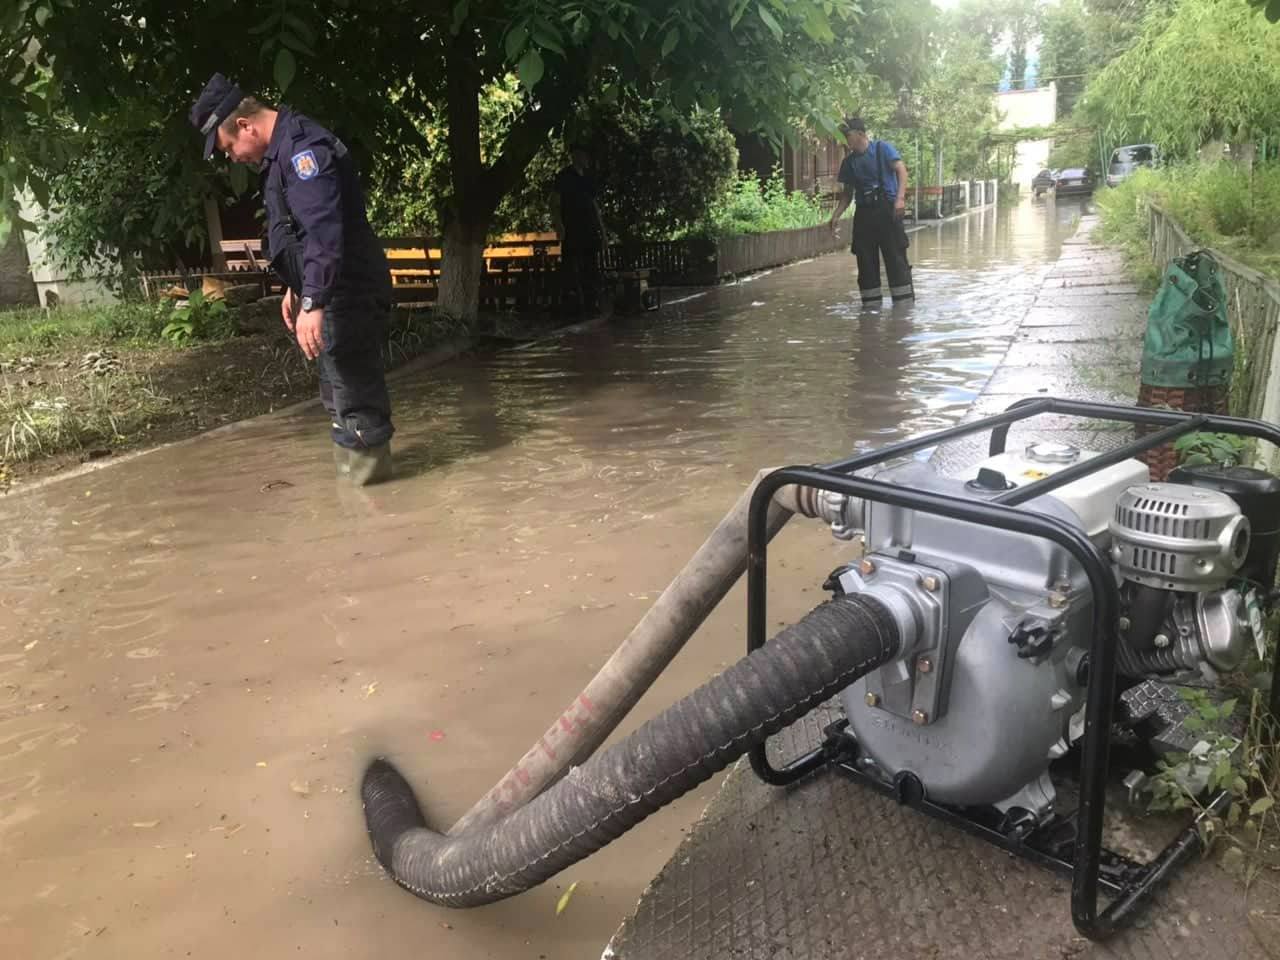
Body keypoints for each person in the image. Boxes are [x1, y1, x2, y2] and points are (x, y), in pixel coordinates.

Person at [188, 73, 394, 485]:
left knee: (353, 398)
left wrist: (314, 299)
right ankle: (355, 496)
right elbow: (300, 233)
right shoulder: (282, 153)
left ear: (244, 125)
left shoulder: (304, 151)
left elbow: (324, 231)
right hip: (325, 290)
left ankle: (375, 504)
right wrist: (295, 287)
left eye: (229, 148)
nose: (232, 158)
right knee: (336, 395)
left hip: (344, 292)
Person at [827, 117, 915, 306]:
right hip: (864, 215)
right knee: (865, 261)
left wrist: (900, 199)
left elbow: (901, 170)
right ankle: (870, 310)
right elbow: (847, 195)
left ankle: (904, 309)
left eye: (848, 135)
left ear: (860, 134)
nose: (846, 140)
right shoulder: (849, 163)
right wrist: (835, 215)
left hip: (888, 211)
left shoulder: (882, 149)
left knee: (895, 257)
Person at [550, 142, 607, 316]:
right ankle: (573, 306)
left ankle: (591, 304)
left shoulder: (588, 178)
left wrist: (602, 231)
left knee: (591, 268)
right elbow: (554, 203)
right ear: (576, 155)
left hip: (588, 229)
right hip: (572, 229)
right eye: (584, 155)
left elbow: (594, 206)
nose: (587, 159)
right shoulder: (564, 176)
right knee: (572, 268)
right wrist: (559, 225)